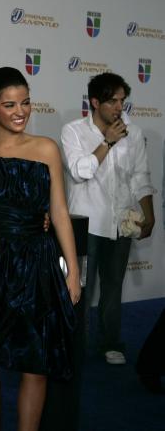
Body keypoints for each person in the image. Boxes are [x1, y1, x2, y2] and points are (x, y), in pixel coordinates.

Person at [0, 66, 80, 431]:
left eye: (25, 102)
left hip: (35, 262)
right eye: (9, 105)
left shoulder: (46, 149)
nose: (20, 111)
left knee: (35, 361)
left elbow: (59, 211)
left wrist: (72, 270)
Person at [61, 72, 154, 365]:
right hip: (86, 224)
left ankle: (110, 343)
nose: (119, 107)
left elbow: (140, 175)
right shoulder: (73, 131)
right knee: (80, 288)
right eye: (112, 101)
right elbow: (80, 172)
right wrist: (107, 142)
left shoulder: (134, 133)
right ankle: (74, 346)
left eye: (122, 101)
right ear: (95, 102)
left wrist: (149, 214)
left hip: (121, 222)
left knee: (113, 287)